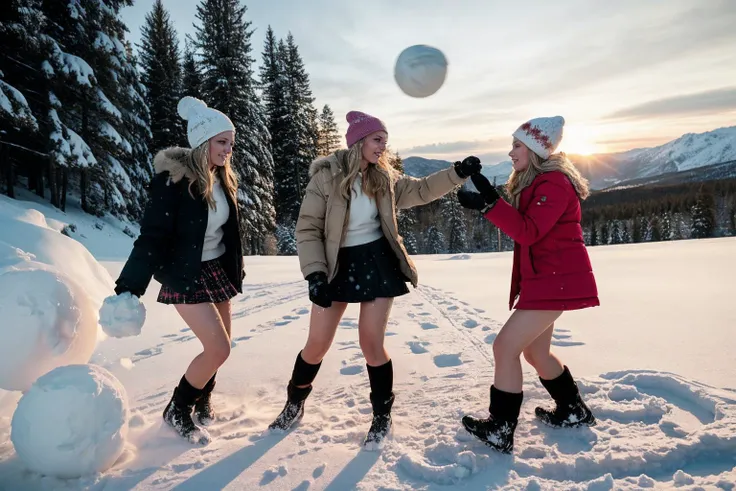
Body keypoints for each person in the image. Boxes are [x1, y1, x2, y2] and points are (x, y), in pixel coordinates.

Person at [268, 110, 482, 448]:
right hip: (336, 266)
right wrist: (315, 275)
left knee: (371, 343)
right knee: (317, 344)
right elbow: (307, 227)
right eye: (378, 139)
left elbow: (423, 189)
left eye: (385, 140)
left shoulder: (385, 177)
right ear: (358, 142)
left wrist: (457, 173)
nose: (383, 146)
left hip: (378, 262)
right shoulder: (326, 178)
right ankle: (294, 403)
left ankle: (382, 415)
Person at [456, 116, 598, 453]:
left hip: (555, 283)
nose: (511, 152)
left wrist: (487, 204)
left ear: (535, 148)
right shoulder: (538, 181)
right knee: (536, 352)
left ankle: (500, 428)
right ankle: (573, 410)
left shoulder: (555, 184)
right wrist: (486, 192)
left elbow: (528, 231)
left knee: (504, 348)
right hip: (545, 281)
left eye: (517, 145)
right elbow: (524, 221)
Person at [111, 96, 244, 445]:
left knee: (222, 347)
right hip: (185, 273)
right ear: (203, 141)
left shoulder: (222, 180)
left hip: (216, 271)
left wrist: (234, 271)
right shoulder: (173, 183)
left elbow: (225, 234)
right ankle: (177, 409)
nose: (228, 149)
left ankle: (202, 398)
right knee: (218, 349)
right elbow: (151, 237)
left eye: (231, 142)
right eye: (221, 141)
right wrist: (129, 286)